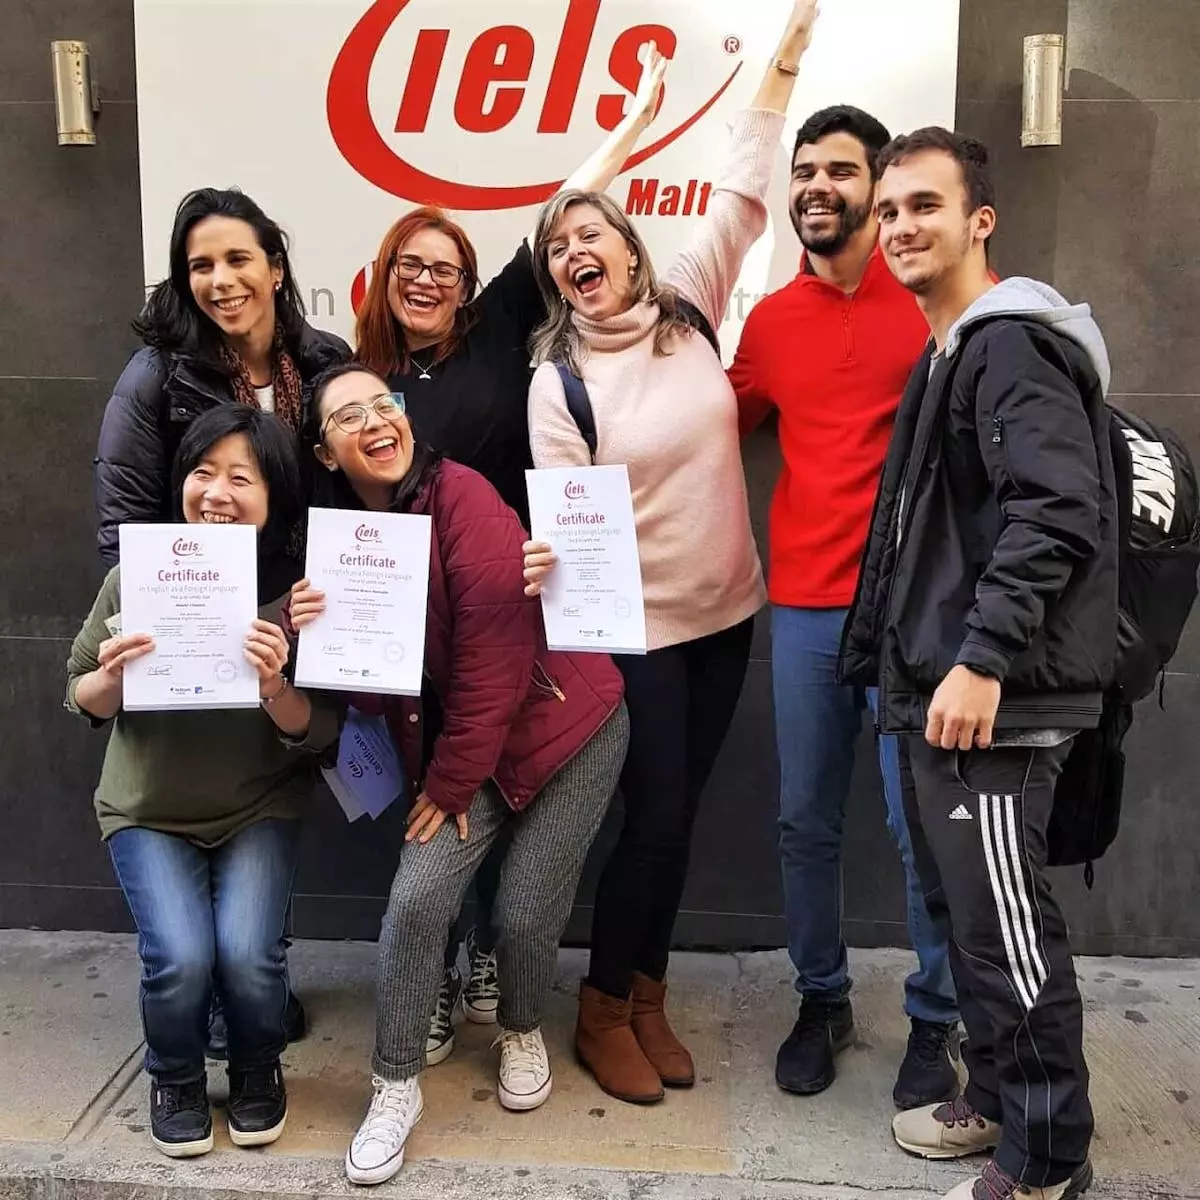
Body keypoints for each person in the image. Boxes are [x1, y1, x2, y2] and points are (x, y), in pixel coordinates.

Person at [521, 0, 821, 1106]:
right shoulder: (558, 383)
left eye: (588, 233)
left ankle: (648, 994)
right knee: (649, 818)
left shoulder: (689, 311)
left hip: (725, 615)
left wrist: (781, 69)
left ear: (628, 245)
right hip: (637, 633)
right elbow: (564, 525)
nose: (573, 251)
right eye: (557, 246)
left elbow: (745, 192)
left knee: (681, 817)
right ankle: (603, 1006)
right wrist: (550, 564)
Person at [351, 46, 668, 1056]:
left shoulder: (495, 336)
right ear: (385, 277)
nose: (429, 280)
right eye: (412, 266)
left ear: (466, 286)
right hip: (407, 628)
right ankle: (441, 969)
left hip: (505, 604)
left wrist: (633, 120)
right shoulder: (359, 376)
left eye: (445, 269)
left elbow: (568, 204)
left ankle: (488, 953)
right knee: (430, 795)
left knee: (496, 775)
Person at [840, 128, 1115, 1200]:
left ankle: (1047, 1161)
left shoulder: (1010, 344)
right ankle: (999, 1101)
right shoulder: (959, 347)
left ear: (978, 221)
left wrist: (984, 659)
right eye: (890, 211)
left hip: (1000, 699)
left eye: (925, 207)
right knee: (973, 927)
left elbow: (1058, 511)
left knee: (1008, 936)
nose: (902, 227)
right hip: (949, 692)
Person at [291, 363, 628, 1186]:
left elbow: (492, 663)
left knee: (520, 913)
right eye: (348, 416)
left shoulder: (465, 495)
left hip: (566, 730)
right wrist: (313, 636)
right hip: (469, 752)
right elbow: (373, 685)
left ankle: (518, 1027)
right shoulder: (346, 538)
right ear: (327, 452)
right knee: (416, 898)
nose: (374, 421)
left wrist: (444, 789)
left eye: (384, 404)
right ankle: (394, 1083)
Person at [728, 105, 959, 1107]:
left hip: (917, 617)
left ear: (880, 187)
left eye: (841, 171)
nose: (818, 186)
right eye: (805, 171)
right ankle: (821, 997)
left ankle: (936, 1020)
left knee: (922, 829)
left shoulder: (933, 308)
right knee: (803, 823)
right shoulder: (772, 322)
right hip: (808, 610)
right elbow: (707, 419)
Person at [93, 187, 350, 1051]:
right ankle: (217, 995)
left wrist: (337, 601)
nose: (220, 279)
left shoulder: (322, 363)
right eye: (199, 264)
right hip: (193, 624)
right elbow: (124, 518)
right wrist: (161, 629)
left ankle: (254, 984)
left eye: (238, 259)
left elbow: (351, 492)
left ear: (276, 268)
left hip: (298, 615)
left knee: (274, 794)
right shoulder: (156, 374)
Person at [66, 405, 342, 1159]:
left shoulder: (298, 597)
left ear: (274, 496)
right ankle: (177, 1075)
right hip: (147, 806)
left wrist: (275, 683)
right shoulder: (138, 577)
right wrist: (112, 676)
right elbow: (77, 694)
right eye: (202, 472)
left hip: (258, 804)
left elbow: (320, 733)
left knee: (251, 957)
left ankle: (257, 1069)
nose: (217, 492)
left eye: (240, 478)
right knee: (182, 956)